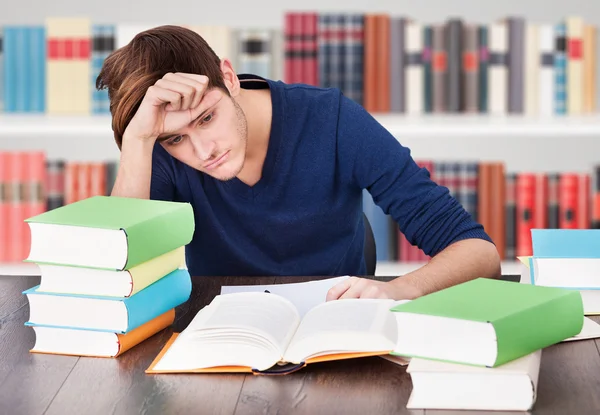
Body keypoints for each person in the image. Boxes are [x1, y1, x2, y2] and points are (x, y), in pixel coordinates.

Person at [97, 25, 501, 301]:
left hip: (335, 334)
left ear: (229, 77)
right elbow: (116, 279)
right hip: (220, 341)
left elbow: (478, 252)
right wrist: (138, 139)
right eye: (176, 138)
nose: (203, 150)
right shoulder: (159, 152)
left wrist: (395, 291)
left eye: (207, 118)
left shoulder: (332, 119)